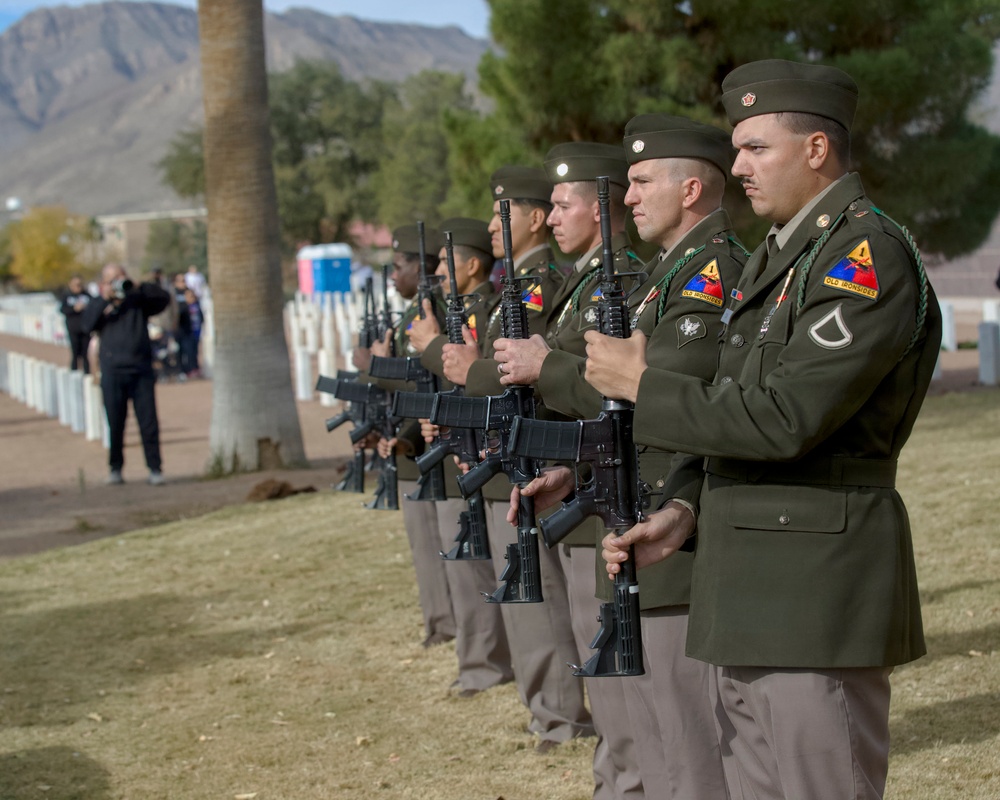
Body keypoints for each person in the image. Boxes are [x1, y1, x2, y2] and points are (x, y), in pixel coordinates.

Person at [588, 60, 941, 800]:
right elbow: (734, 402)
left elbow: (786, 419)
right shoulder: (778, 258)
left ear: (816, 150)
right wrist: (684, 511)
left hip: (813, 593)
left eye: (755, 148)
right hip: (745, 584)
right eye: (736, 149)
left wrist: (642, 385)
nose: (738, 168)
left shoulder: (863, 258)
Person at [505, 126, 747, 797]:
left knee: (686, 741)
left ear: (690, 189)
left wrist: (550, 367)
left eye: (641, 183)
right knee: (649, 725)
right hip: (629, 509)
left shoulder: (710, 272)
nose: (627, 196)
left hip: (669, 519)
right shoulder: (668, 275)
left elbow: (651, 387)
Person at [490, 142, 645, 798]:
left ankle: (627, 773)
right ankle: (615, 769)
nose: (552, 217)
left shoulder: (623, 281)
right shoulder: (582, 281)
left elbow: (610, 385)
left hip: (608, 477)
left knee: (611, 644)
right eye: (547, 206)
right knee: (592, 638)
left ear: (600, 209)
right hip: (571, 469)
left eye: (563, 204)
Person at [440, 166, 593, 755]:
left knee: (544, 598)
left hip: (539, 452)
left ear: (532, 219)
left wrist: (451, 360)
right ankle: (550, 711)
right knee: (532, 596)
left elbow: (515, 371)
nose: (489, 228)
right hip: (517, 449)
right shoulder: (518, 286)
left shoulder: (537, 286)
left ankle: (558, 714)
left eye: (503, 214)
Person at [405, 217, 514, 699]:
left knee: (482, 570)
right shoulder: (460, 311)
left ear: (473, 264)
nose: (440, 271)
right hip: (457, 447)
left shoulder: (486, 310)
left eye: (448, 262)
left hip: (483, 452)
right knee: (466, 565)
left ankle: (486, 664)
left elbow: (475, 377)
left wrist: (431, 350)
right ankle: (479, 660)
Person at [368, 224, 458, 651]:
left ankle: (454, 630)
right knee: (427, 551)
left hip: (436, 445)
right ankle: (441, 625)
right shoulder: (411, 317)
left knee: (447, 553)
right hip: (412, 441)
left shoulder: (431, 314)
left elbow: (429, 383)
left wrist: (379, 370)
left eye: (398, 265)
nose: (392, 274)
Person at [81, 263, 173, 486]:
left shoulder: (137, 301)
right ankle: (115, 468)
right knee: (115, 422)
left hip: (140, 370)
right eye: (113, 279)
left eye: (120, 278)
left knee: (148, 422)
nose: (118, 283)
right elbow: (86, 325)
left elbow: (162, 299)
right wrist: (106, 298)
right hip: (113, 371)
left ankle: (155, 468)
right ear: (104, 283)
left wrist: (138, 286)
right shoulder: (99, 304)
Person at [59, 275, 93, 374]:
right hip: (73, 328)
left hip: (85, 329)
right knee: (75, 353)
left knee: (85, 354)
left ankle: (87, 374)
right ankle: (74, 374)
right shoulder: (67, 296)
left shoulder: (87, 295)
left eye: (80, 284)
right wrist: (74, 309)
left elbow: (94, 307)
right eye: (76, 285)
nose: (78, 287)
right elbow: (62, 309)